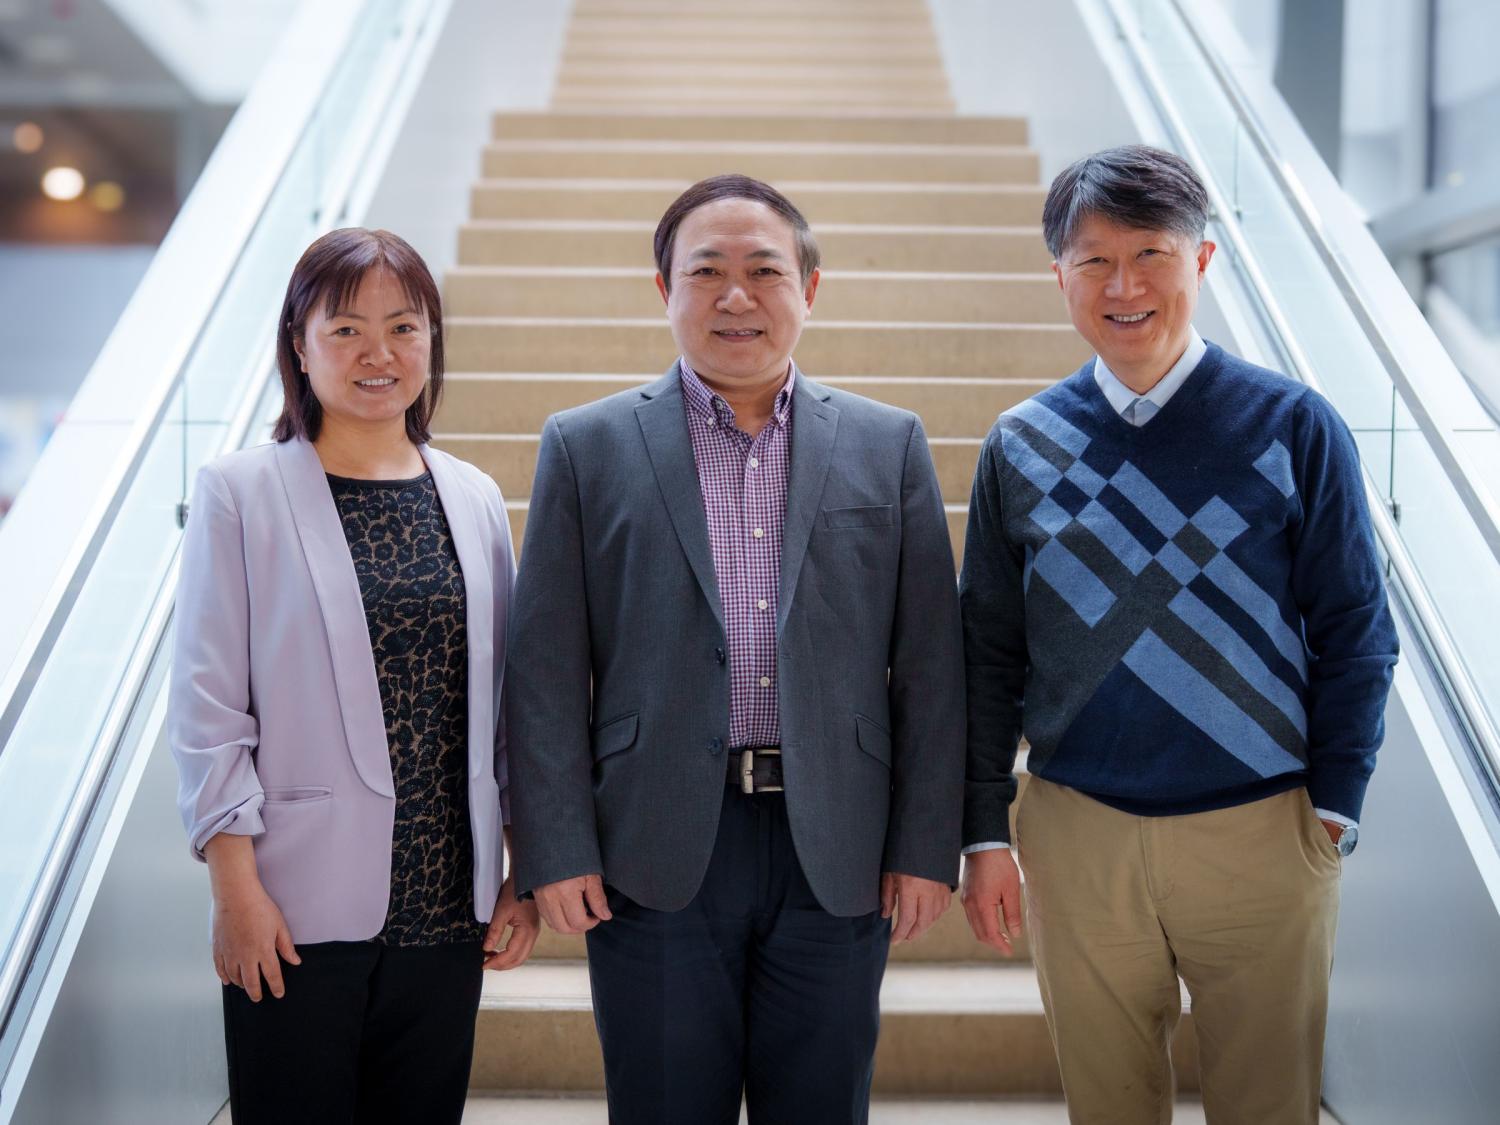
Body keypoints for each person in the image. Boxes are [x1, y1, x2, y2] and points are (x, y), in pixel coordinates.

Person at [505, 174, 965, 1125]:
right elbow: (543, 671)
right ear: (663, 289)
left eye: (764, 271)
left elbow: (931, 669)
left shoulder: (887, 444)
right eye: (706, 271)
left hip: (836, 842)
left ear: (811, 288)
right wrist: (554, 845)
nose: (736, 296)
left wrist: (926, 845)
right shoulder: (586, 445)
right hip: (651, 845)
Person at [958, 145, 1398, 1124]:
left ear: (1200, 260)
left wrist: (1333, 804)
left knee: (1268, 1105)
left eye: (1150, 254)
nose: (1124, 286)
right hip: (1079, 829)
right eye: (1094, 260)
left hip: (1265, 825)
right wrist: (985, 826)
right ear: (1060, 275)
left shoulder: (1294, 424)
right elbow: (985, 651)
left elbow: (1357, 628)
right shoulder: (1020, 443)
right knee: (1107, 1107)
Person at [168, 227, 539, 1125]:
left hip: (448, 904)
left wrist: (521, 869)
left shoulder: (474, 495)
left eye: (404, 327)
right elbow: (209, 712)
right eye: (346, 330)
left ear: (431, 341)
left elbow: (506, 709)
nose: (380, 353)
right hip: (292, 904)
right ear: (300, 346)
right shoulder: (239, 493)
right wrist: (235, 892)